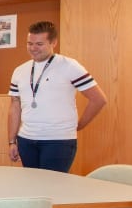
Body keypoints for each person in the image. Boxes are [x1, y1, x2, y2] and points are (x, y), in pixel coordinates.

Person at [8, 21, 107, 172]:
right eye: (30, 43)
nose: (33, 48)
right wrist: (11, 141)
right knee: (31, 187)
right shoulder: (20, 71)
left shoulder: (69, 66)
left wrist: (79, 125)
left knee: (54, 190)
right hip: (26, 140)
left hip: (58, 141)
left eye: (39, 44)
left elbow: (98, 99)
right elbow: (15, 106)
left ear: (53, 42)